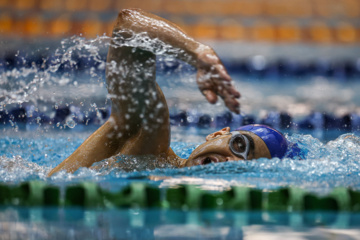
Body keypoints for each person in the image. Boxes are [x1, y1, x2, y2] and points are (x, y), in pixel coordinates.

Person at [47, 9, 288, 177]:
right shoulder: (148, 145)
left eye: (245, 167)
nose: (231, 163)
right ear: (216, 134)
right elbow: (128, 25)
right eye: (239, 145)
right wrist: (198, 52)